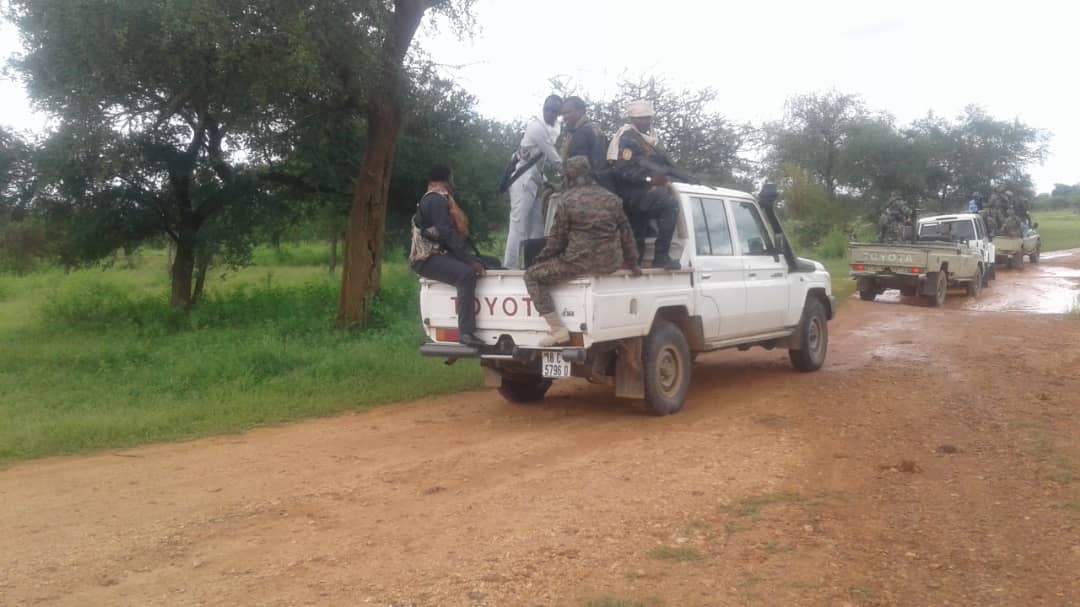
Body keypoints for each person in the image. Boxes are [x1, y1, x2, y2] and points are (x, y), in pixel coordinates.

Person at [525, 156, 641, 346]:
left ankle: (558, 330)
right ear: (589, 173)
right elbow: (627, 235)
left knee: (532, 276)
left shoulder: (567, 201)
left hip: (578, 263)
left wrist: (540, 258)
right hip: (610, 263)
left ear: (569, 177)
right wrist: (634, 264)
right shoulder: (612, 199)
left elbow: (557, 239)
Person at [409, 164, 486, 348]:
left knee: (489, 263)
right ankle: (466, 333)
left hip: (436, 255)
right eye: (452, 178)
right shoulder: (435, 200)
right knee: (465, 274)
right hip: (426, 259)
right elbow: (446, 233)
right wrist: (469, 260)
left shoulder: (438, 198)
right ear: (447, 179)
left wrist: (473, 259)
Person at [608, 100, 683, 270]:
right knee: (670, 205)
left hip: (641, 194)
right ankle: (661, 256)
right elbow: (622, 170)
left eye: (648, 118)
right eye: (641, 118)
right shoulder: (628, 138)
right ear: (633, 119)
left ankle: (636, 262)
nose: (645, 122)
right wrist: (649, 180)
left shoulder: (648, 139)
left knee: (638, 237)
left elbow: (663, 165)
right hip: (630, 194)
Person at [503, 95, 564, 270]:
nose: (550, 113)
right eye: (547, 109)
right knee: (518, 224)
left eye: (554, 111)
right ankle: (510, 266)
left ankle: (534, 264)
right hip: (522, 179)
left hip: (536, 179)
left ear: (558, 113)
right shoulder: (536, 126)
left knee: (537, 228)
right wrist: (570, 172)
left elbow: (540, 160)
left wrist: (545, 180)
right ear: (543, 107)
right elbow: (552, 155)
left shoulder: (555, 127)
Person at [559, 96, 614, 192]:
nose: (564, 117)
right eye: (563, 113)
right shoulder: (597, 131)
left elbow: (577, 170)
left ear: (580, 111)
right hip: (606, 187)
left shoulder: (580, 134)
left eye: (568, 112)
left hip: (588, 191)